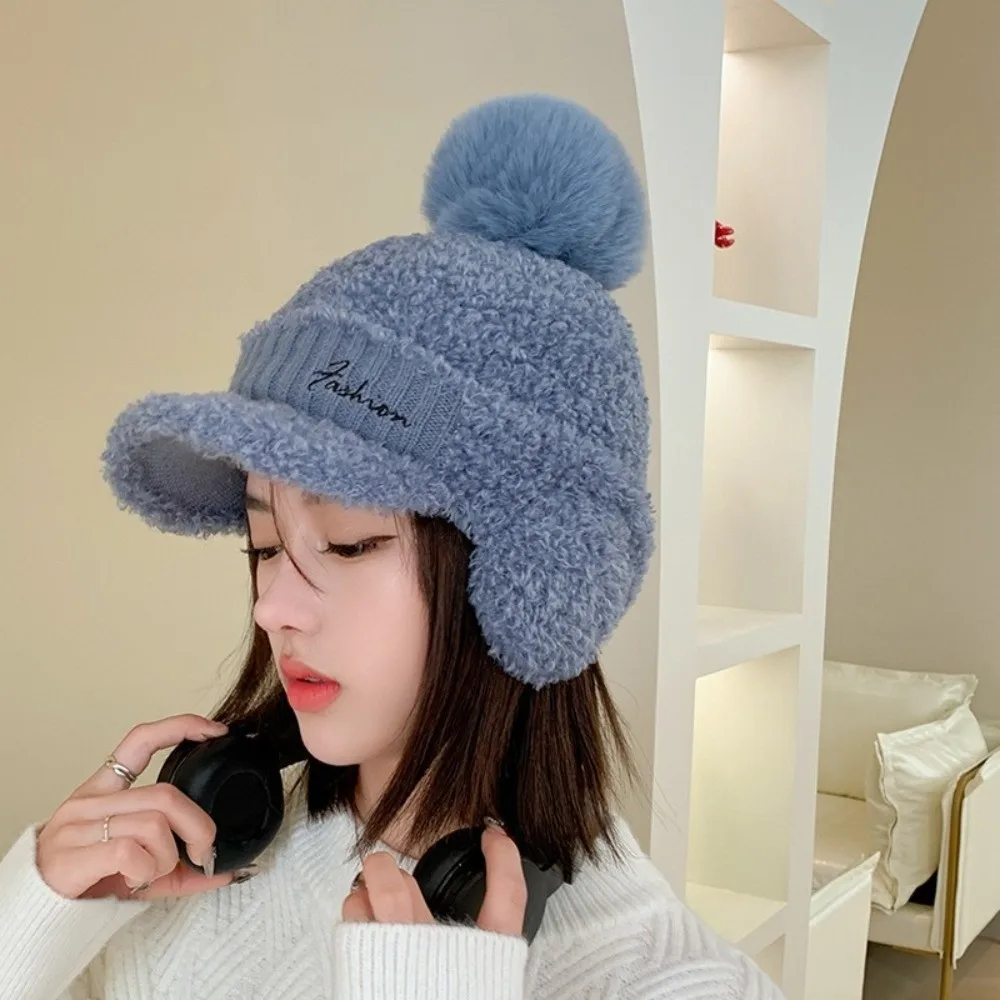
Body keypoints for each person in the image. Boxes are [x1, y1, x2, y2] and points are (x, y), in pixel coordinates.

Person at [0, 94, 786, 1000]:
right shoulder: (198, 858)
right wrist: (35, 923)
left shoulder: (676, 981)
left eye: (345, 543)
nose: (271, 607)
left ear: (539, 583)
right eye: (263, 544)